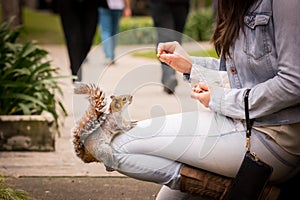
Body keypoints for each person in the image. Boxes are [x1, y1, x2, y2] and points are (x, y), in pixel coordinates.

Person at [91, 0, 300, 199]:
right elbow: (243, 76)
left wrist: (221, 100)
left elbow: (293, 83)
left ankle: (236, 191)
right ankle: (217, 187)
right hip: (241, 123)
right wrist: (191, 66)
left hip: (274, 136)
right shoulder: (237, 4)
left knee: (113, 146)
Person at [149, 0, 190, 94]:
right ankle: (169, 77)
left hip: (181, 4)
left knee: (176, 40)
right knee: (166, 38)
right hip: (160, 4)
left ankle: (168, 77)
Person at [57, 0, 99, 82]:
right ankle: (75, 70)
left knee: (88, 37)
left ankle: (77, 62)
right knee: (73, 38)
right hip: (69, 5)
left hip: (91, 5)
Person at [98, 0, 131, 65]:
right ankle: (111, 56)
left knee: (106, 31)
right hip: (118, 5)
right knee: (114, 31)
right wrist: (127, 7)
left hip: (105, 5)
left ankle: (108, 56)